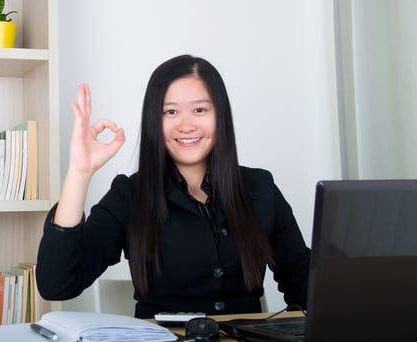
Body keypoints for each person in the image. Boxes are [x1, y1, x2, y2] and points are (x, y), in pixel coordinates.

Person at [36, 54, 310, 319]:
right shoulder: (129, 195)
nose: (186, 125)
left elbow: (304, 286)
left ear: (220, 116)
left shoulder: (260, 188)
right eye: (170, 112)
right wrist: (79, 173)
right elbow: (57, 284)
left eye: (200, 110)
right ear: (155, 121)